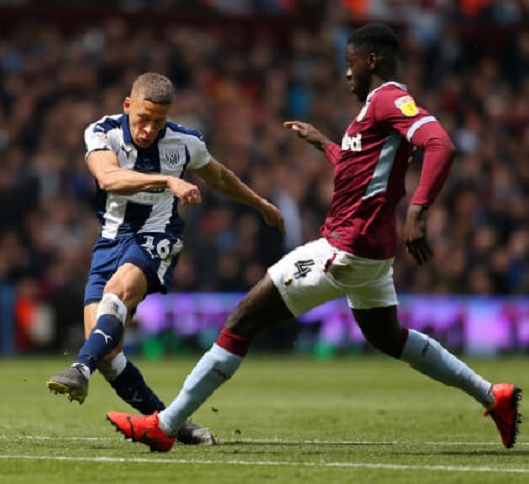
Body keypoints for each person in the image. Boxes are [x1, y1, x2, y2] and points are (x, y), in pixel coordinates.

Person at [105, 24, 521, 452]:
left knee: (243, 319)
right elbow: (361, 171)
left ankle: (166, 425)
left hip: (345, 247)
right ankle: (493, 397)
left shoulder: (389, 99)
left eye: (350, 63)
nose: (347, 73)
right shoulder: (373, 111)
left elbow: (441, 145)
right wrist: (325, 144)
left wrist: (418, 209)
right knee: (387, 337)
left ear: (371, 61)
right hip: (371, 255)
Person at [46, 72, 285, 445]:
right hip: (109, 242)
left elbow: (219, 177)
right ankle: (172, 424)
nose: (148, 130)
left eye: (158, 121)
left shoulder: (184, 142)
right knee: (109, 354)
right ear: (127, 106)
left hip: (158, 237)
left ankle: (79, 368)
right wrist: (168, 181)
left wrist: (260, 204)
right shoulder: (102, 132)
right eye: (143, 118)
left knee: (117, 294)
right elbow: (108, 178)